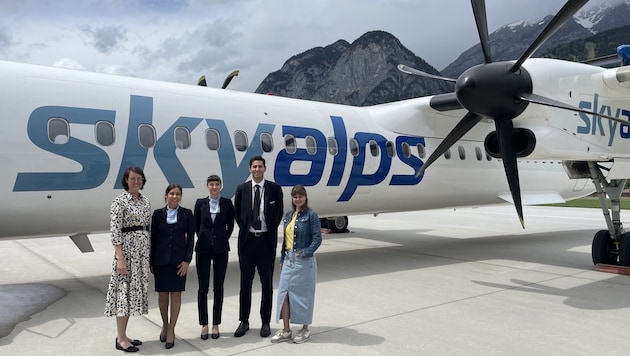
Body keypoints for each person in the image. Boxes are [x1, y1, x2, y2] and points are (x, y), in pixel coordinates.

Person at [233, 155, 284, 338]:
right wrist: (249, 228)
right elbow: (239, 214)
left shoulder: (274, 189)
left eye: (260, 167)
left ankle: (265, 322)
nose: (257, 169)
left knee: (267, 285)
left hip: (265, 243)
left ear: (264, 168)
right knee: (245, 284)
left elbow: (277, 214)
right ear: (249, 169)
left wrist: (265, 228)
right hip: (247, 243)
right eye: (254, 167)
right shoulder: (241, 189)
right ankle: (244, 321)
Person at [104, 166, 151, 353]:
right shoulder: (119, 201)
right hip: (127, 254)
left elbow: (148, 227)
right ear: (126, 180)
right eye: (133, 178)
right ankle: (121, 339)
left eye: (139, 178)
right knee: (123, 295)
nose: (136, 181)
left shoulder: (145, 201)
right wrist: (120, 258)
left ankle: (124, 335)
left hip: (142, 254)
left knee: (132, 296)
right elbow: (115, 231)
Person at [271, 185, 322, 344]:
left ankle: (305, 329)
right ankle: (286, 330)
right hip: (288, 260)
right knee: (284, 294)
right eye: (295, 197)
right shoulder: (288, 215)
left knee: (304, 296)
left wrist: (306, 252)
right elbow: (286, 240)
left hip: (303, 261)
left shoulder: (311, 215)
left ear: (305, 197)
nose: (297, 199)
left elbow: (317, 238)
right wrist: (282, 258)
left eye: (300, 196)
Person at [150, 184, 194, 349]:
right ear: (166, 195)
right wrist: (151, 261)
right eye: (172, 193)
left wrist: (187, 260)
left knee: (176, 295)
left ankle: (171, 330)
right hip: (161, 261)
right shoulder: (158, 214)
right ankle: (165, 324)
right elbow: (153, 238)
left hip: (178, 262)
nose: (175, 196)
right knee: (162, 295)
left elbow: (190, 239)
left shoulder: (187, 214)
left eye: (178, 194)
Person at [194, 175, 235, 340]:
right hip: (203, 248)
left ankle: (216, 323)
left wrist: (221, 238)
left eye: (217, 184)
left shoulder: (227, 203)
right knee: (203, 288)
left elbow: (230, 225)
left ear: (220, 186)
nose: (214, 187)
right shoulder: (200, 203)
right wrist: (205, 238)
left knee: (218, 288)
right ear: (207, 186)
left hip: (221, 249)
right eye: (211, 184)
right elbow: (197, 224)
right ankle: (204, 323)